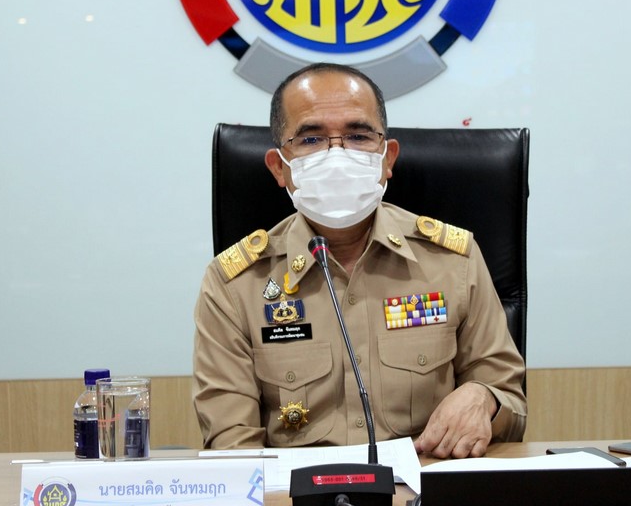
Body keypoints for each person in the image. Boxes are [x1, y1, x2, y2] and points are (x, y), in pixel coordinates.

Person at [193, 63, 526, 459]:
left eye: (358, 135)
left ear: (388, 158)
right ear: (279, 167)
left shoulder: (453, 262)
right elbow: (233, 449)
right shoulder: (234, 285)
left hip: (428, 492)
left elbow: (512, 405)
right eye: (311, 138)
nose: (337, 155)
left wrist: (484, 398)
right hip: (297, 496)